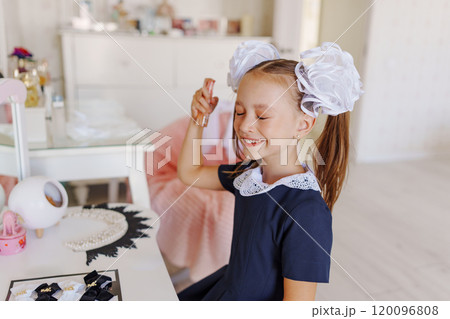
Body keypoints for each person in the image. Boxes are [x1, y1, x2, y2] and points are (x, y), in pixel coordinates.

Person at [176, 41, 363, 301]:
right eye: (240, 112)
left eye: (262, 117)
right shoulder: (250, 176)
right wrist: (198, 119)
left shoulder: (306, 211)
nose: (244, 126)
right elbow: (189, 173)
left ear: (303, 124)